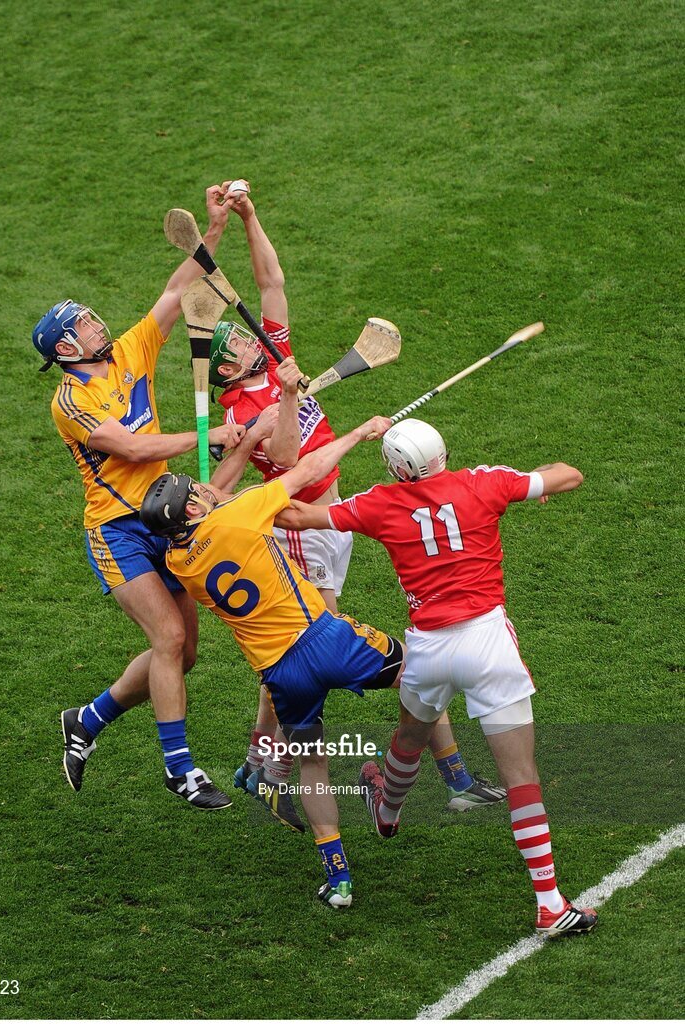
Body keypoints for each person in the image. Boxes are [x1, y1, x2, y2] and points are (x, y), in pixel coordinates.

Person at [207, 182, 505, 822]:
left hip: (334, 519)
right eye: (233, 345)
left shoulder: (276, 357)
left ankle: (261, 763)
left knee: (320, 653)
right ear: (226, 374)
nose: (245, 339)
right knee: (308, 651)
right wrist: (312, 410)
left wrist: (251, 217)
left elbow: (270, 284)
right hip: (301, 532)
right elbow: (289, 461)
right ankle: (281, 769)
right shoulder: (242, 410)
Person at [278, 417, 599, 936]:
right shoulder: (484, 482)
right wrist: (534, 480)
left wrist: (248, 499)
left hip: (427, 646)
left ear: (397, 467)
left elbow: (298, 517)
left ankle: (387, 809)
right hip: (488, 643)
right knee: (522, 778)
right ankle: (549, 903)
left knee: (410, 734)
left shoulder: (378, 503)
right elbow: (569, 475)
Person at [32, 186, 245, 811]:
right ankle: (181, 770)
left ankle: (87, 720)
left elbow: (179, 290)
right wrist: (211, 434)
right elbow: (130, 448)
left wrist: (215, 227)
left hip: (164, 515)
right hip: (118, 530)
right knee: (167, 641)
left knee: (187, 650)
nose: (100, 321)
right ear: (67, 349)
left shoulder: (128, 351)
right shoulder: (69, 401)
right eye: (86, 323)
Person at [140, 415, 400, 908]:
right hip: (326, 638)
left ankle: (339, 878)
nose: (203, 487)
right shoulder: (238, 515)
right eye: (195, 489)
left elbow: (214, 509)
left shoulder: (177, 561)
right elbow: (307, 470)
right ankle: (396, 783)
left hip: (281, 675)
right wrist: (356, 433)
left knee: (312, 766)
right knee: (424, 677)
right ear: (193, 507)